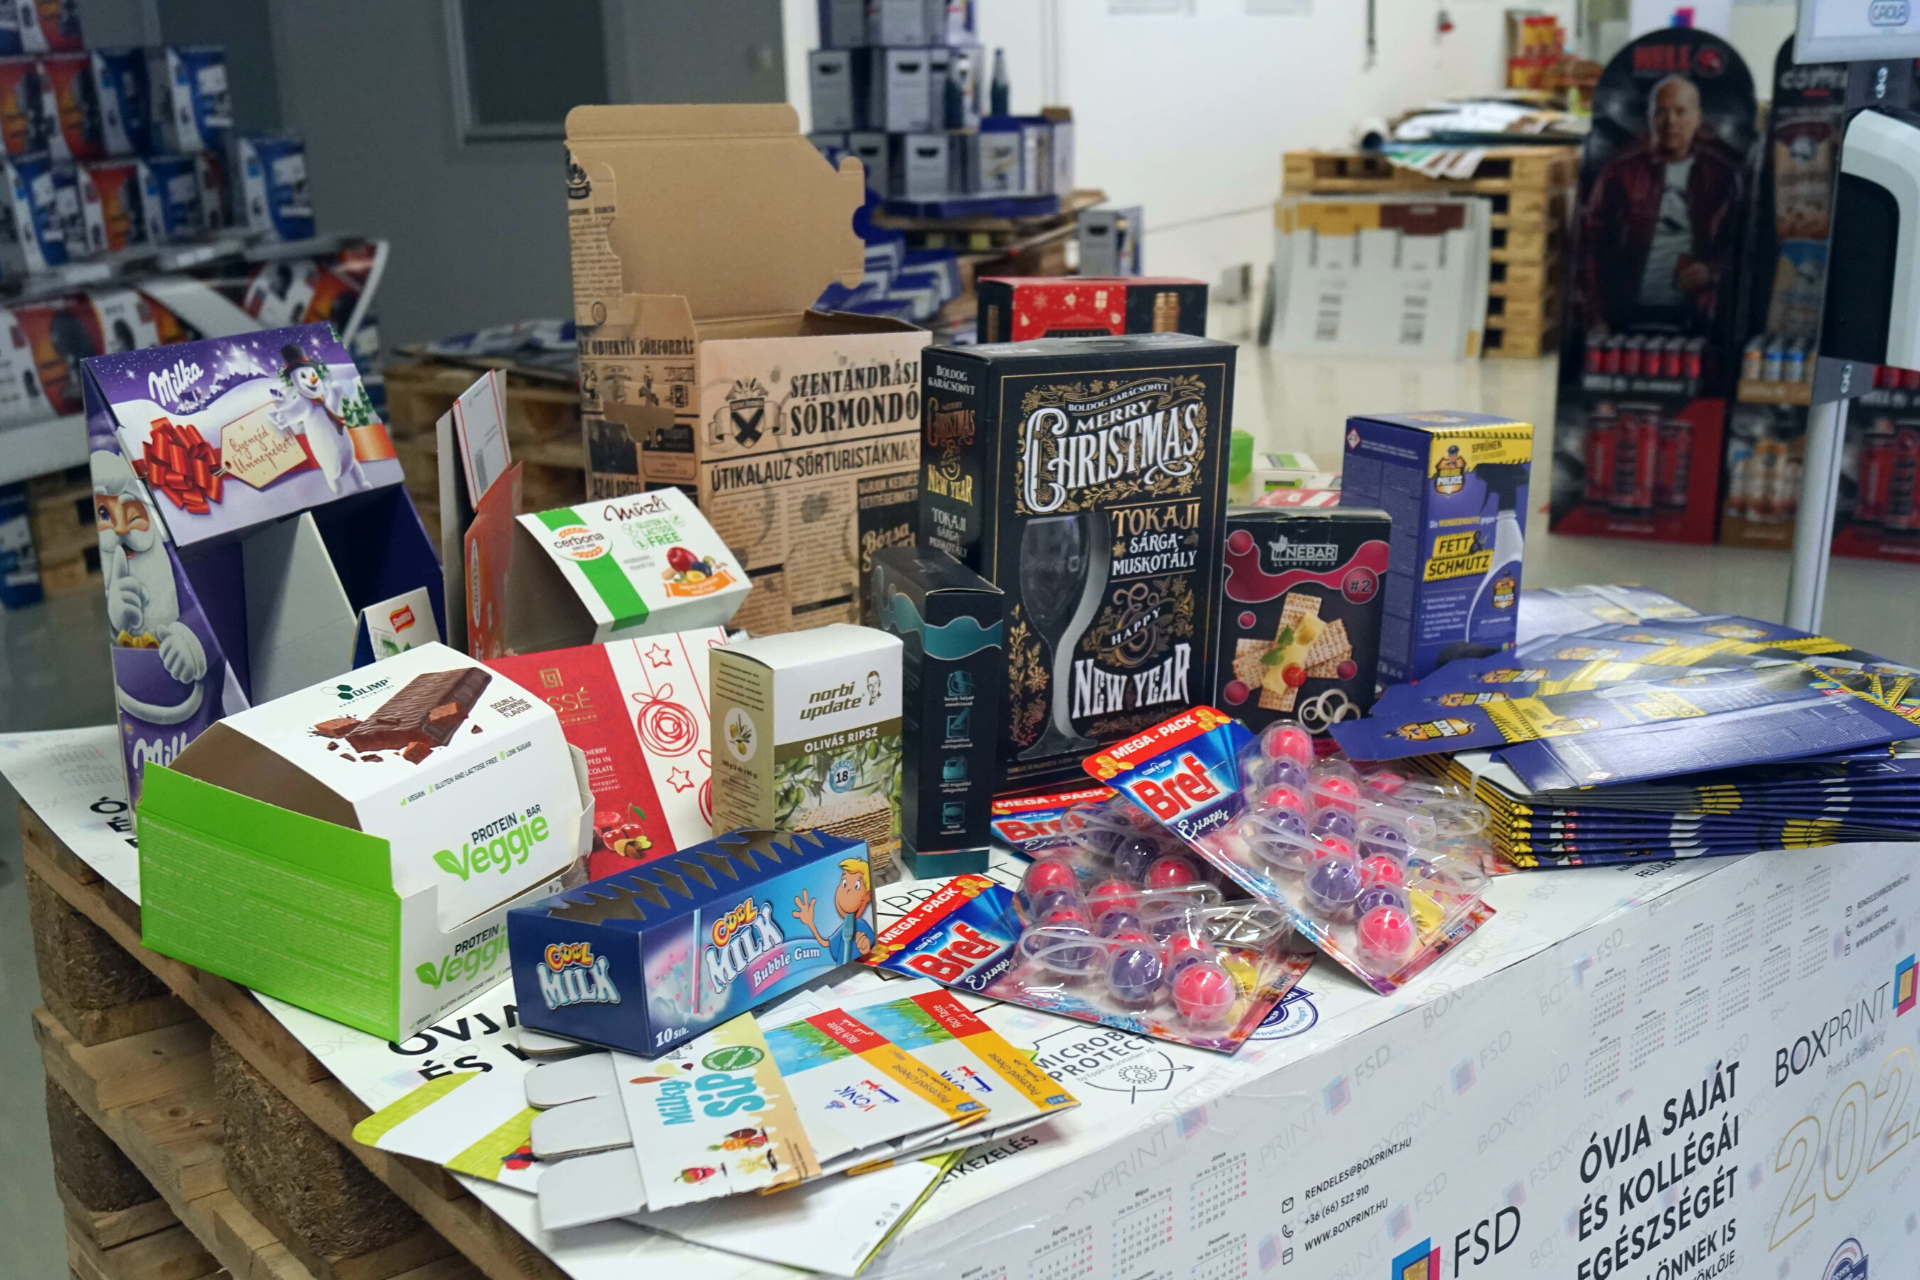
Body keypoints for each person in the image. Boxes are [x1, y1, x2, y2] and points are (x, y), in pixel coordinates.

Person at [1578, 75, 1745, 337]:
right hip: (1624, 317)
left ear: (1697, 118)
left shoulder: (1723, 175)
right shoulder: (1618, 172)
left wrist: (1712, 271)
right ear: (1649, 118)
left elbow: (1741, 247)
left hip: (1698, 320)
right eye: (1661, 112)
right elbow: (1588, 247)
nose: (1671, 122)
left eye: (1680, 111)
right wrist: (1595, 317)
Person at [792, 858, 876, 964]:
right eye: (844, 884)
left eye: (856, 886)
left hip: (859, 966)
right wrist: (810, 923)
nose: (848, 891)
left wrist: (865, 948)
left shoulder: (861, 925)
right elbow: (825, 943)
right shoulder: (845, 928)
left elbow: (871, 945)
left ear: (867, 896)